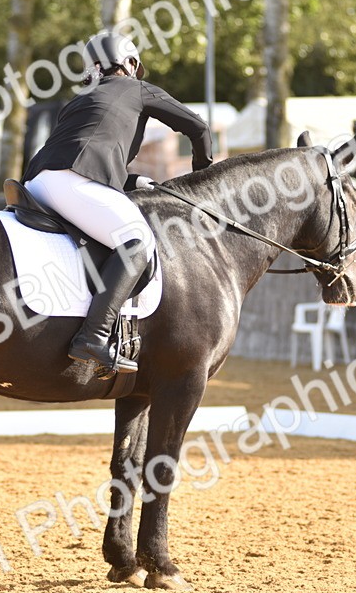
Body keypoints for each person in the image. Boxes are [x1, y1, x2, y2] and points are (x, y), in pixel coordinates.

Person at [22, 32, 214, 373]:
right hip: (70, 181)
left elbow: (90, 156)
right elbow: (197, 127)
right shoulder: (137, 88)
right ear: (130, 64)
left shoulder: (79, 101)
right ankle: (93, 336)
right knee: (136, 241)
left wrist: (136, 181)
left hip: (39, 182)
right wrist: (203, 175)